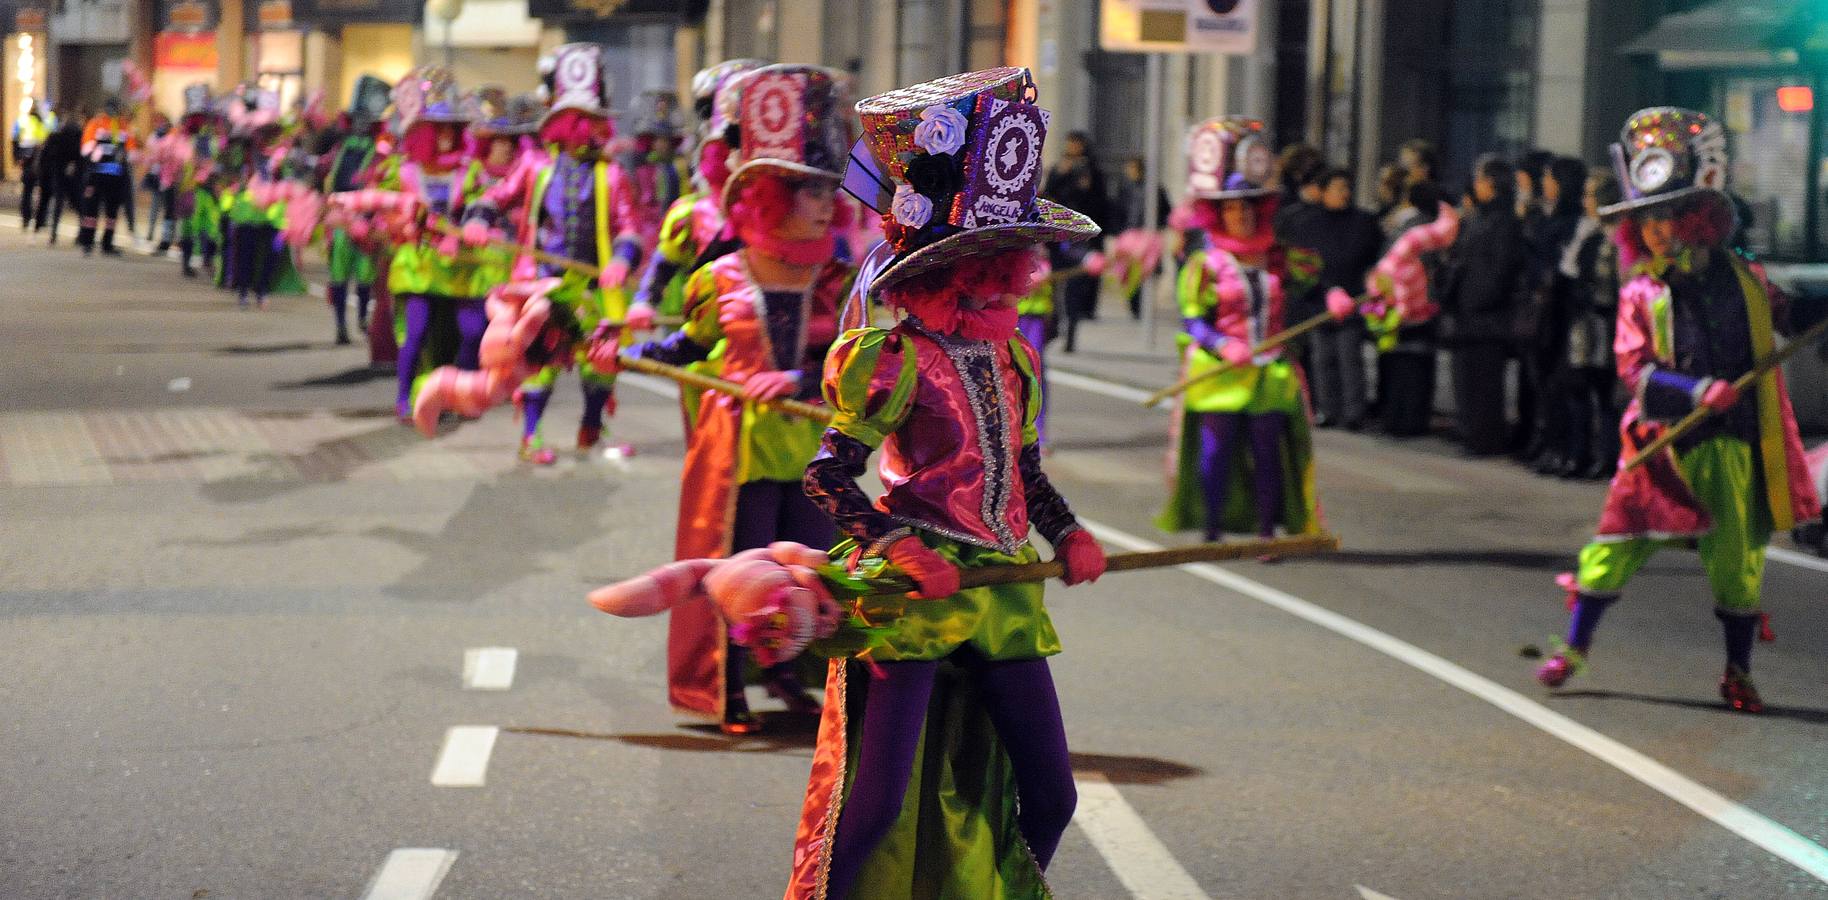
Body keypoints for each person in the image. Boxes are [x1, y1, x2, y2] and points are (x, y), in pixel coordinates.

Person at [789, 66, 1107, 899]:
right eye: (990, 253)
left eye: (1011, 253)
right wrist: (896, 544)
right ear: (943, 262)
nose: (1009, 269)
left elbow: (1023, 472)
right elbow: (826, 474)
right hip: (916, 596)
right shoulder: (891, 358)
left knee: (1051, 794)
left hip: (1002, 590)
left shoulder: (1016, 356)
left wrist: (1066, 531)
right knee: (878, 803)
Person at [1535, 107, 1821, 714]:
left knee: (1738, 566)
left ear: (1703, 216)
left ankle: (1738, 672)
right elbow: (1632, 371)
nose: (1659, 230)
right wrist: (1696, 392)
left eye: (1669, 214)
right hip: (1663, 447)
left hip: (1738, 444)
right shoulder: (1641, 292)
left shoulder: (1747, 278)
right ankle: (1575, 648)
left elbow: (1789, 317)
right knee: (1615, 547)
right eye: (1648, 218)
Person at [617, 64, 855, 734]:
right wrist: (624, 349)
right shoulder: (718, 277)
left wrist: (801, 382)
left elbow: (854, 366)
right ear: (772, 193)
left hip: (811, 447)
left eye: (828, 189)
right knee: (738, 575)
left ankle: (796, 674)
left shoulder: (839, 279)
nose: (822, 202)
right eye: (807, 189)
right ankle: (725, 686)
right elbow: (689, 349)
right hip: (739, 449)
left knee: (814, 572)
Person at [1156, 117, 1324, 545]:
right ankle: (1213, 532)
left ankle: (1267, 533)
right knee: (1216, 455)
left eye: (1249, 205)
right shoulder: (1206, 264)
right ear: (1218, 212)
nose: (1242, 215)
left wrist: (1339, 300)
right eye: (1232, 206)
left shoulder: (1280, 258)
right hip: (1220, 374)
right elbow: (1192, 320)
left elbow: (1314, 288)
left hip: (1270, 371)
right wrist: (1222, 343)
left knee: (1268, 455)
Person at [1441, 154, 1526, 455]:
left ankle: (1485, 437)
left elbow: (1501, 269)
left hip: (1487, 316)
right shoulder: (1479, 218)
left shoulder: (1504, 222)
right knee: (1465, 378)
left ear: (1491, 183)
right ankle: (1470, 432)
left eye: (1479, 179)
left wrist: (1479, 299)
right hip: (1468, 313)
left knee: (1485, 382)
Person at [1550, 170, 1623, 479]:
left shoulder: (1617, 237)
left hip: (1603, 323)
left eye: (1590, 195)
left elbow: (1612, 285)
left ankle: (1605, 457)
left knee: (1605, 396)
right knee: (1578, 390)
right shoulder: (1589, 232)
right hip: (1582, 323)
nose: (1585, 202)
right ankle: (1578, 454)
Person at [1523, 155, 1589, 473]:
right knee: (1544, 382)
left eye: (1550, 179)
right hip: (1543, 312)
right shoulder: (1548, 217)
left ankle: (1563, 448)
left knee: (1561, 385)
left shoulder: (1571, 222)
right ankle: (1549, 444)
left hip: (1560, 313)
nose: (1545, 185)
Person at [1303, 167, 1382, 430]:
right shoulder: (1311, 224)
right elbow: (1304, 263)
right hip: (1319, 299)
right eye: (1337, 189)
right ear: (1323, 193)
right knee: (1323, 358)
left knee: (1350, 357)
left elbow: (1374, 256)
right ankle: (1327, 408)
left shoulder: (1363, 222)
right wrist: (1322, 288)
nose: (1344, 194)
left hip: (1353, 298)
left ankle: (1353, 412)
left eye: (1346, 188)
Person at [1377, 180, 1447, 437]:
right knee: (1417, 366)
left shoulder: (1405, 227)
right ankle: (1412, 419)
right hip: (1422, 305)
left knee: (1400, 364)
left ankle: (1398, 418)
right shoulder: (1432, 227)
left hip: (1402, 303)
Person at [1041, 130, 1109, 351]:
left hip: (1081, 236)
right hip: (1058, 234)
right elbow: (1050, 194)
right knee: (1054, 284)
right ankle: (1055, 325)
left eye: (1075, 144)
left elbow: (1099, 200)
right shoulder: (1061, 166)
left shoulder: (1091, 169)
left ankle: (1071, 334)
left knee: (1075, 288)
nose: (1072, 148)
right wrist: (1060, 174)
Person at [75, 98, 136, 256]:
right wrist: (96, 155)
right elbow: (86, 149)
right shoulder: (95, 124)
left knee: (112, 213)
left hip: (116, 176)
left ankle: (107, 244)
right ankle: (87, 242)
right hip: (96, 175)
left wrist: (127, 156)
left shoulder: (122, 126)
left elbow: (131, 150)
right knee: (91, 211)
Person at [33, 111, 84, 244]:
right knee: (78, 205)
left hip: (58, 175)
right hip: (73, 177)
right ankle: (83, 233)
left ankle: (53, 234)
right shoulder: (77, 137)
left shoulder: (55, 138)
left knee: (58, 204)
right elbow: (81, 157)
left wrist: (43, 173)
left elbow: (46, 157)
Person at [13, 100, 49, 228]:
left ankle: (26, 218)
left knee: (27, 192)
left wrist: (17, 158)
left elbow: (15, 141)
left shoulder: (21, 121)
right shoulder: (41, 124)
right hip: (38, 161)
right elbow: (45, 142)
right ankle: (40, 219)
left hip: (26, 160)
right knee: (42, 191)